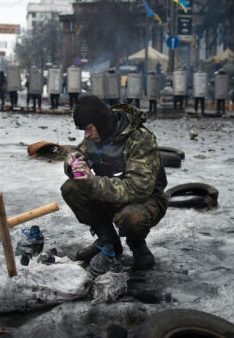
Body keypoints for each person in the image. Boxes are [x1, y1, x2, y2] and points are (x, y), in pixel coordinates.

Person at [61, 96, 168, 270]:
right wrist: (72, 163)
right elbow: (80, 154)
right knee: (71, 188)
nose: (86, 135)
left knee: (131, 217)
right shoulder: (95, 137)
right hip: (112, 194)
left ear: (102, 122)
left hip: (146, 201)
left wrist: (93, 181)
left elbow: (138, 189)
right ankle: (108, 240)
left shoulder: (140, 139)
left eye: (88, 129)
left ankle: (137, 244)